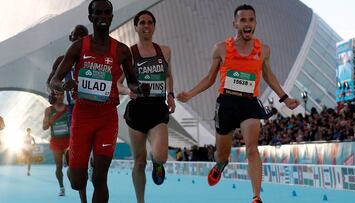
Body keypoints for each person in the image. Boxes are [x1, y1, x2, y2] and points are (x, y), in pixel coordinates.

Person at [177, 4, 299, 203]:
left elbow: (268, 76)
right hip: (226, 103)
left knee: (252, 148)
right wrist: (190, 94)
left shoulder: (263, 50)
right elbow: (210, 78)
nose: (247, 23)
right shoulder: (221, 48)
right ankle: (220, 166)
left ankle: (256, 197)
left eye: (251, 20)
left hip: (249, 104)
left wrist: (285, 98)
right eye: (243, 20)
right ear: (235, 23)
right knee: (222, 154)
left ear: (255, 24)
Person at [50, 1, 150, 203]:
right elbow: (54, 80)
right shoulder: (79, 47)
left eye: (107, 13)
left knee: (100, 177)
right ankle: (74, 170)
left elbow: (131, 82)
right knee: (78, 182)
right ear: (91, 17)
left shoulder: (121, 50)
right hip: (82, 115)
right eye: (98, 13)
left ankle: (95, 163)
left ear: (112, 16)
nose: (103, 16)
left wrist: (139, 88)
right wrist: (63, 86)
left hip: (107, 118)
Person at [118, 10, 175, 203]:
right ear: (136, 27)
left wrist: (171, 95)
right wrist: (128, 91)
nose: (146, 26)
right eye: (142, 23)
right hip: (137, 111)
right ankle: (140, 200)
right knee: (139, 162)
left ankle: (157, 163)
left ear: (154, 26)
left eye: (150, 22)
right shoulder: (129, 54)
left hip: (158, 108)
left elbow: (168, 76)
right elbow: (117, 84)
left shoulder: (164, 51)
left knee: (161, 156)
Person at [46, 24, 88, 202]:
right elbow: (50, 81)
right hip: (75, 111)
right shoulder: (63, 60)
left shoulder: (95, 59)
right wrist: (54, 91)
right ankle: (82, 196)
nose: (78, 39)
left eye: (82, 36)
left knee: (97, 166)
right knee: (77, 162)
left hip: (97, 110)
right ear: (71, 39)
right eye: (75, 36)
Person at [42, 91, 70, 196]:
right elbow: (44, 127)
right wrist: (50, 120)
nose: (59, 96)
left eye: (61, 94)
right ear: (53, 96)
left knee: (71, 165)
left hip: (68, 140)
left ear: (64, 95)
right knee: (58, 166)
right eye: (57, 95)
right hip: (56, 141)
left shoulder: (69, 108)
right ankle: (61, 187)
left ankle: (74, 181)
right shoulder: (49, 110)